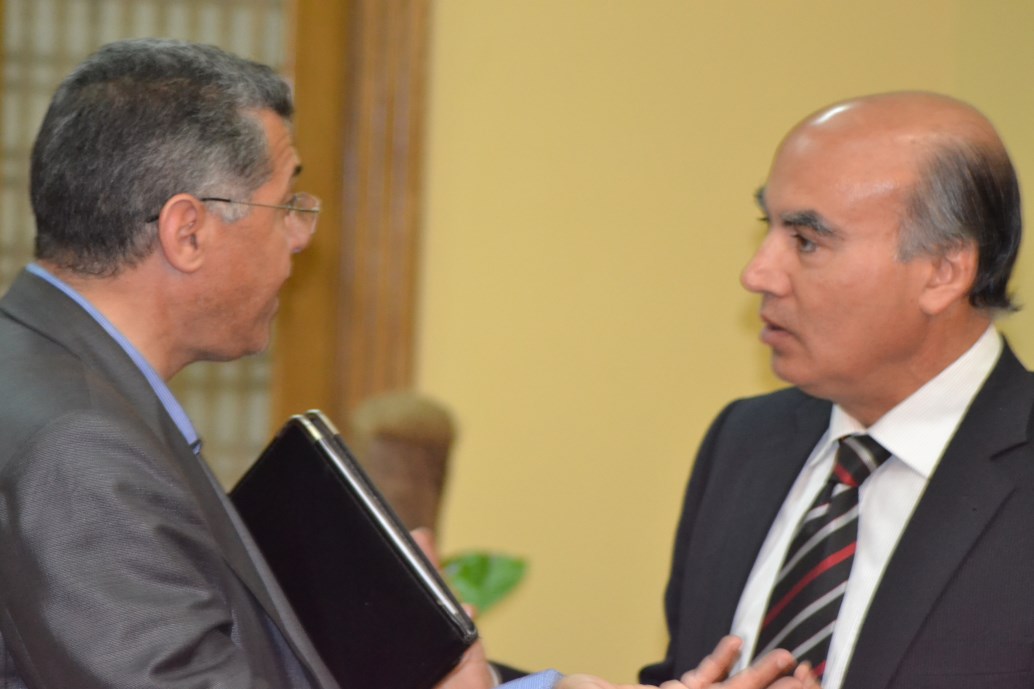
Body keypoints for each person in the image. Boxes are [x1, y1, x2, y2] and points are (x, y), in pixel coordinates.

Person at [0, 38, 809, 689]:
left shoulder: (42, 369)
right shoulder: (83, 450)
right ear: (188, 232)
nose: (302, 235)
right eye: (289, 204)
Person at [638, 91, 1031, 689]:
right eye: (767, 227)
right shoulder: (744, 439)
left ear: (943, 271)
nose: (756, 273)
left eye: (806, 241)